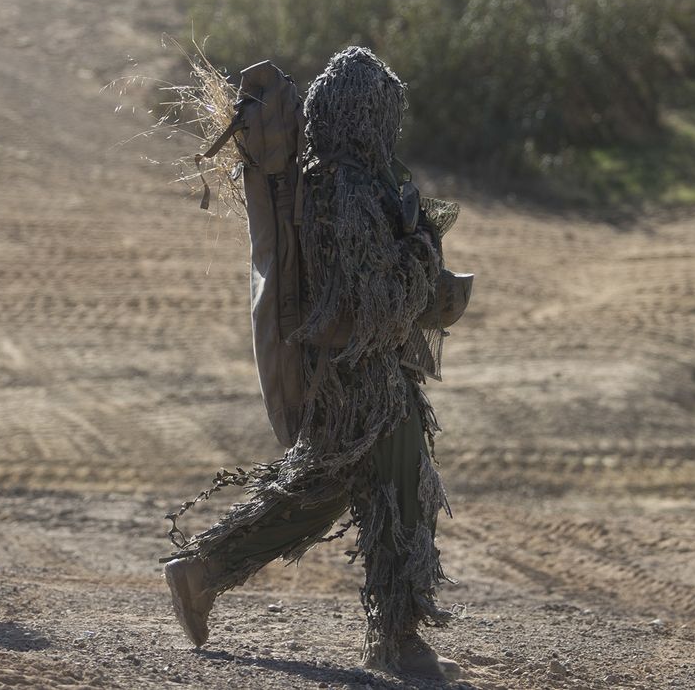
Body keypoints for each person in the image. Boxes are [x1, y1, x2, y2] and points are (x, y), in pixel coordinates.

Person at [164, 48, 471, 681]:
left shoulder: (330, 182)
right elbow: (368, 301)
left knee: (325, 488)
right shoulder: (346, 190)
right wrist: (422, 261)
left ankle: (203, 571)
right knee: (400, 494)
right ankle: (398, 641)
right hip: (360, 380)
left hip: (350, 374)